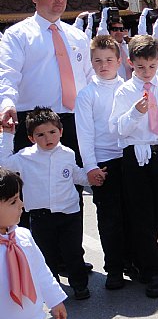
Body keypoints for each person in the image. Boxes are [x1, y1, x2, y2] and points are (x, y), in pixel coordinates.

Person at [0, 107, 101, 300]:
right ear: (31, 138)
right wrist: (7, 135)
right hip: (41, 217)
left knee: (73, 253)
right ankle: (52, 291)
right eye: (41, 134)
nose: (48, 138)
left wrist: (91, 179)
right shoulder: (24, 157)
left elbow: (76, 175)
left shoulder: (68, 153)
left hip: (69, 214)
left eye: (53, 132)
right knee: (46, 256)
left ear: (61, 132)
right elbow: (3, 164)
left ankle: (79, 286)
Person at [0, 0, 93, 159]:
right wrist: (7, 103)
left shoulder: (78, 36)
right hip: (35, 122)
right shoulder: (17, 35)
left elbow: (90, 77)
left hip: (75, 121)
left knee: (71, 183)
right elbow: (8, 73)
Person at [109, 35, 158, 299]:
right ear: (130, 63)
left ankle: (140, 258)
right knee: (140, 212)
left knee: (155, 212)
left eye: (151, 66)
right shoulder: (125, 91)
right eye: (140, 67)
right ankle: (153, 271)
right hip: (136, 153)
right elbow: (116, 129)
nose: (146, 73)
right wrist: (135, 113)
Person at [75, 35, 129, 291]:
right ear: (92, 63)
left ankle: (135, 262)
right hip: (104, 162)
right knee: (109, 219)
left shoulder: (129, 87)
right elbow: (84, 134)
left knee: (133, 216)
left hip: (128, 159)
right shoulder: (87, 94)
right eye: (98, 60)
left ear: (119, 61)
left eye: (109, 59)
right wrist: (91, 167)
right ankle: (114, 268)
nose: (104, 65)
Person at [0, 168, 68, 319]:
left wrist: (55, 300)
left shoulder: (23, 236)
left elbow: (41, 270)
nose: (21, 204)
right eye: (13, 201)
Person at [95, 10, 133, 80]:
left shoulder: (129, 47)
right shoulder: (107, 48)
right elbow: (102, 34)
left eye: (121, 29)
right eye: (115, 29)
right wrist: (104, 17)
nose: (119, 32)